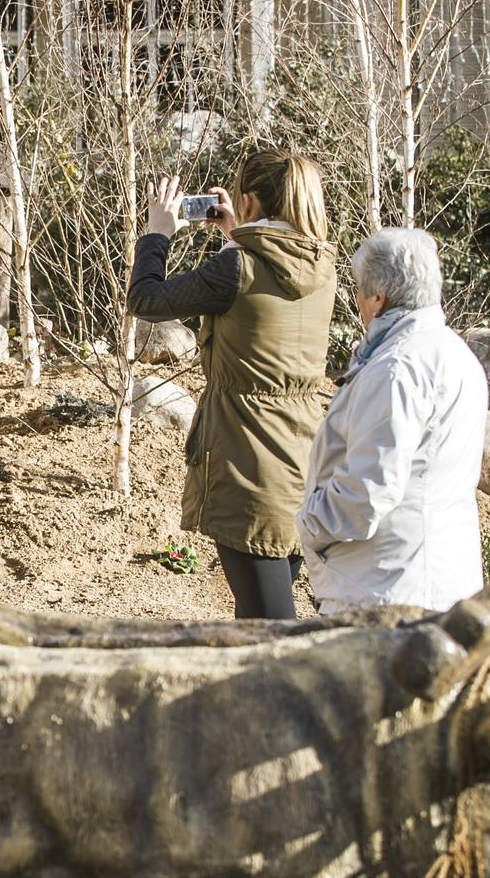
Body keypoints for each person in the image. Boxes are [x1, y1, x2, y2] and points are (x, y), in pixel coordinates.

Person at [129, 152, 336, 621]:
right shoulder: (321, 266)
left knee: (268, 628)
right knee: (268, 612)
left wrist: (158, 232)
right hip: (302, 462)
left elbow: (146, 299)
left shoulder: (236, 269)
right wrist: (235, 233)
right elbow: (265, 292)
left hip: (249, 465)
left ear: (246, 199)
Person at [297, 228, 489, 615]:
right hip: (440, 584)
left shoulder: (396, 368)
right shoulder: (455, 353)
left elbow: (366, 493)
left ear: (378, 299)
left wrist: (308, 525)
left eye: (359, 290)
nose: (356, 300)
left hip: (385, 596)